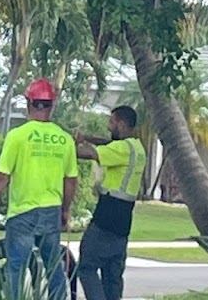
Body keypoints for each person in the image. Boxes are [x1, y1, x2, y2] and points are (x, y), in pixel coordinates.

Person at [0, 79, 78, 300]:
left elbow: (1, 176)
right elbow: (71, 180)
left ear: (29, 103)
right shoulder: (65, 139)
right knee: (53, 267)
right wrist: (65, 210)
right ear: (52, 105)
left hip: (22, 213)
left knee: (16, 267)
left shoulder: (18, 136)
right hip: (51, 210)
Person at [75, 106, 146, 300]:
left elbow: (87, 153)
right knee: (112, 277)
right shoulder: (137, 148)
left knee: (87, 268)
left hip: (106, 218)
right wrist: (88, 137)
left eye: (111, 122)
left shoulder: (121, 149)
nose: (108, 126)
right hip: (123, 223)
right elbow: (108, 143)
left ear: (122, 124)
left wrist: (69, 145)